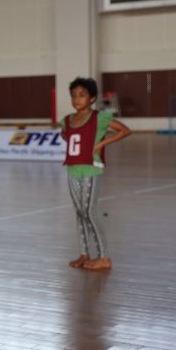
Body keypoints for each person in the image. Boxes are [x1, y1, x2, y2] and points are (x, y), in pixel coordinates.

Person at [61, 78, 131, 271]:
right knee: (79, 212)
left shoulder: (99, 117)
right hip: (73, 169)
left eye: (82, 95)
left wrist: (101, 144)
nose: (77, 99)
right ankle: (84, 253)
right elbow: (64, 133)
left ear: (92, 98)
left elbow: (125, 130)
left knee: (89, 212)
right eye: (74, 95)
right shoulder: (68, 119)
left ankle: (104, 257)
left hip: (91, 169)